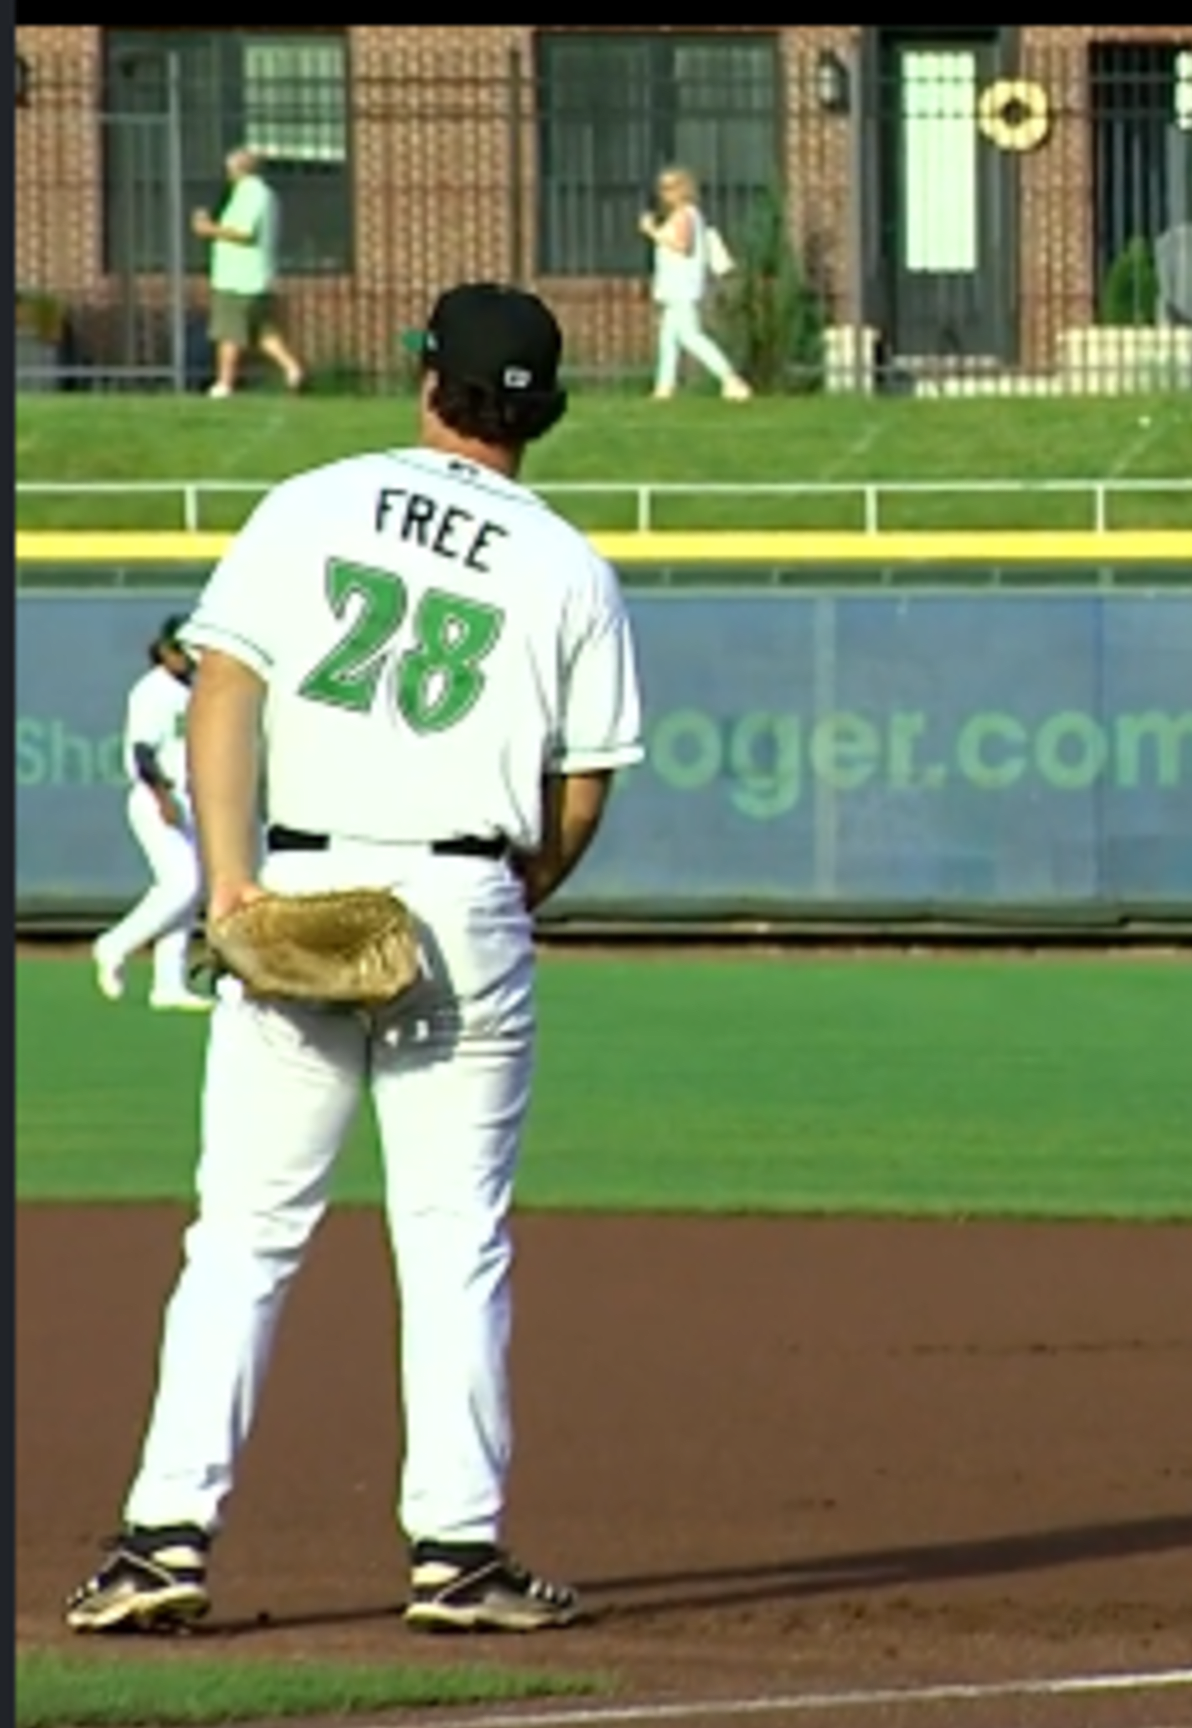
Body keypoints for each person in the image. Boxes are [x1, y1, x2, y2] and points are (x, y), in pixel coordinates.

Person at [64, 281, 647, 1639]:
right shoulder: (568, 561)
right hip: (465, 889)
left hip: (304, 875)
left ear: (426, 380)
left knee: (244, 1236)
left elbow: (225, 688)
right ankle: (457, 1552)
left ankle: (164, 1539)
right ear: (539, 413)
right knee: (452, 1243)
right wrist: (517, 894)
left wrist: (226, 887)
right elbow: (584, 787)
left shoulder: (316, 500)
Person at [89, 617, 217, 1012]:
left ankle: (168, 984)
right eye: (179, 649)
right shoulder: (152, 691)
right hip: (157, 795)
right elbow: (143, 751)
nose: (187, 657)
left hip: (191, 799)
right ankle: (113, 945)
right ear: (163, 650)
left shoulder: (195, 687)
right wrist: (162, 796)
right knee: (181, 882)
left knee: (189, 890)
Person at [191, 147, 305, 398]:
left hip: (239, 278)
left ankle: (224, 383)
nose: (227, 174)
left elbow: (243, 232)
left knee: (228, 332)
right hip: (257, 278)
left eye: (230, 169)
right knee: (262, 332)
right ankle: (292, 369)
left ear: (239, 169)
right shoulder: (262, 194)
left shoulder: (251, 193)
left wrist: (209, 229)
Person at [638, 166, 751, 402]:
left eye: (670, 187)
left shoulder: (686, 215)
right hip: (673, 287)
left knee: (690, 336)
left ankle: (731, 379)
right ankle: (664, 387)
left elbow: (683, 245)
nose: (664, 193)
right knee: (668, 339)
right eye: (662, 188)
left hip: (682, 287)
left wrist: (652, 232)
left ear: (683, 189)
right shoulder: (682, 215)